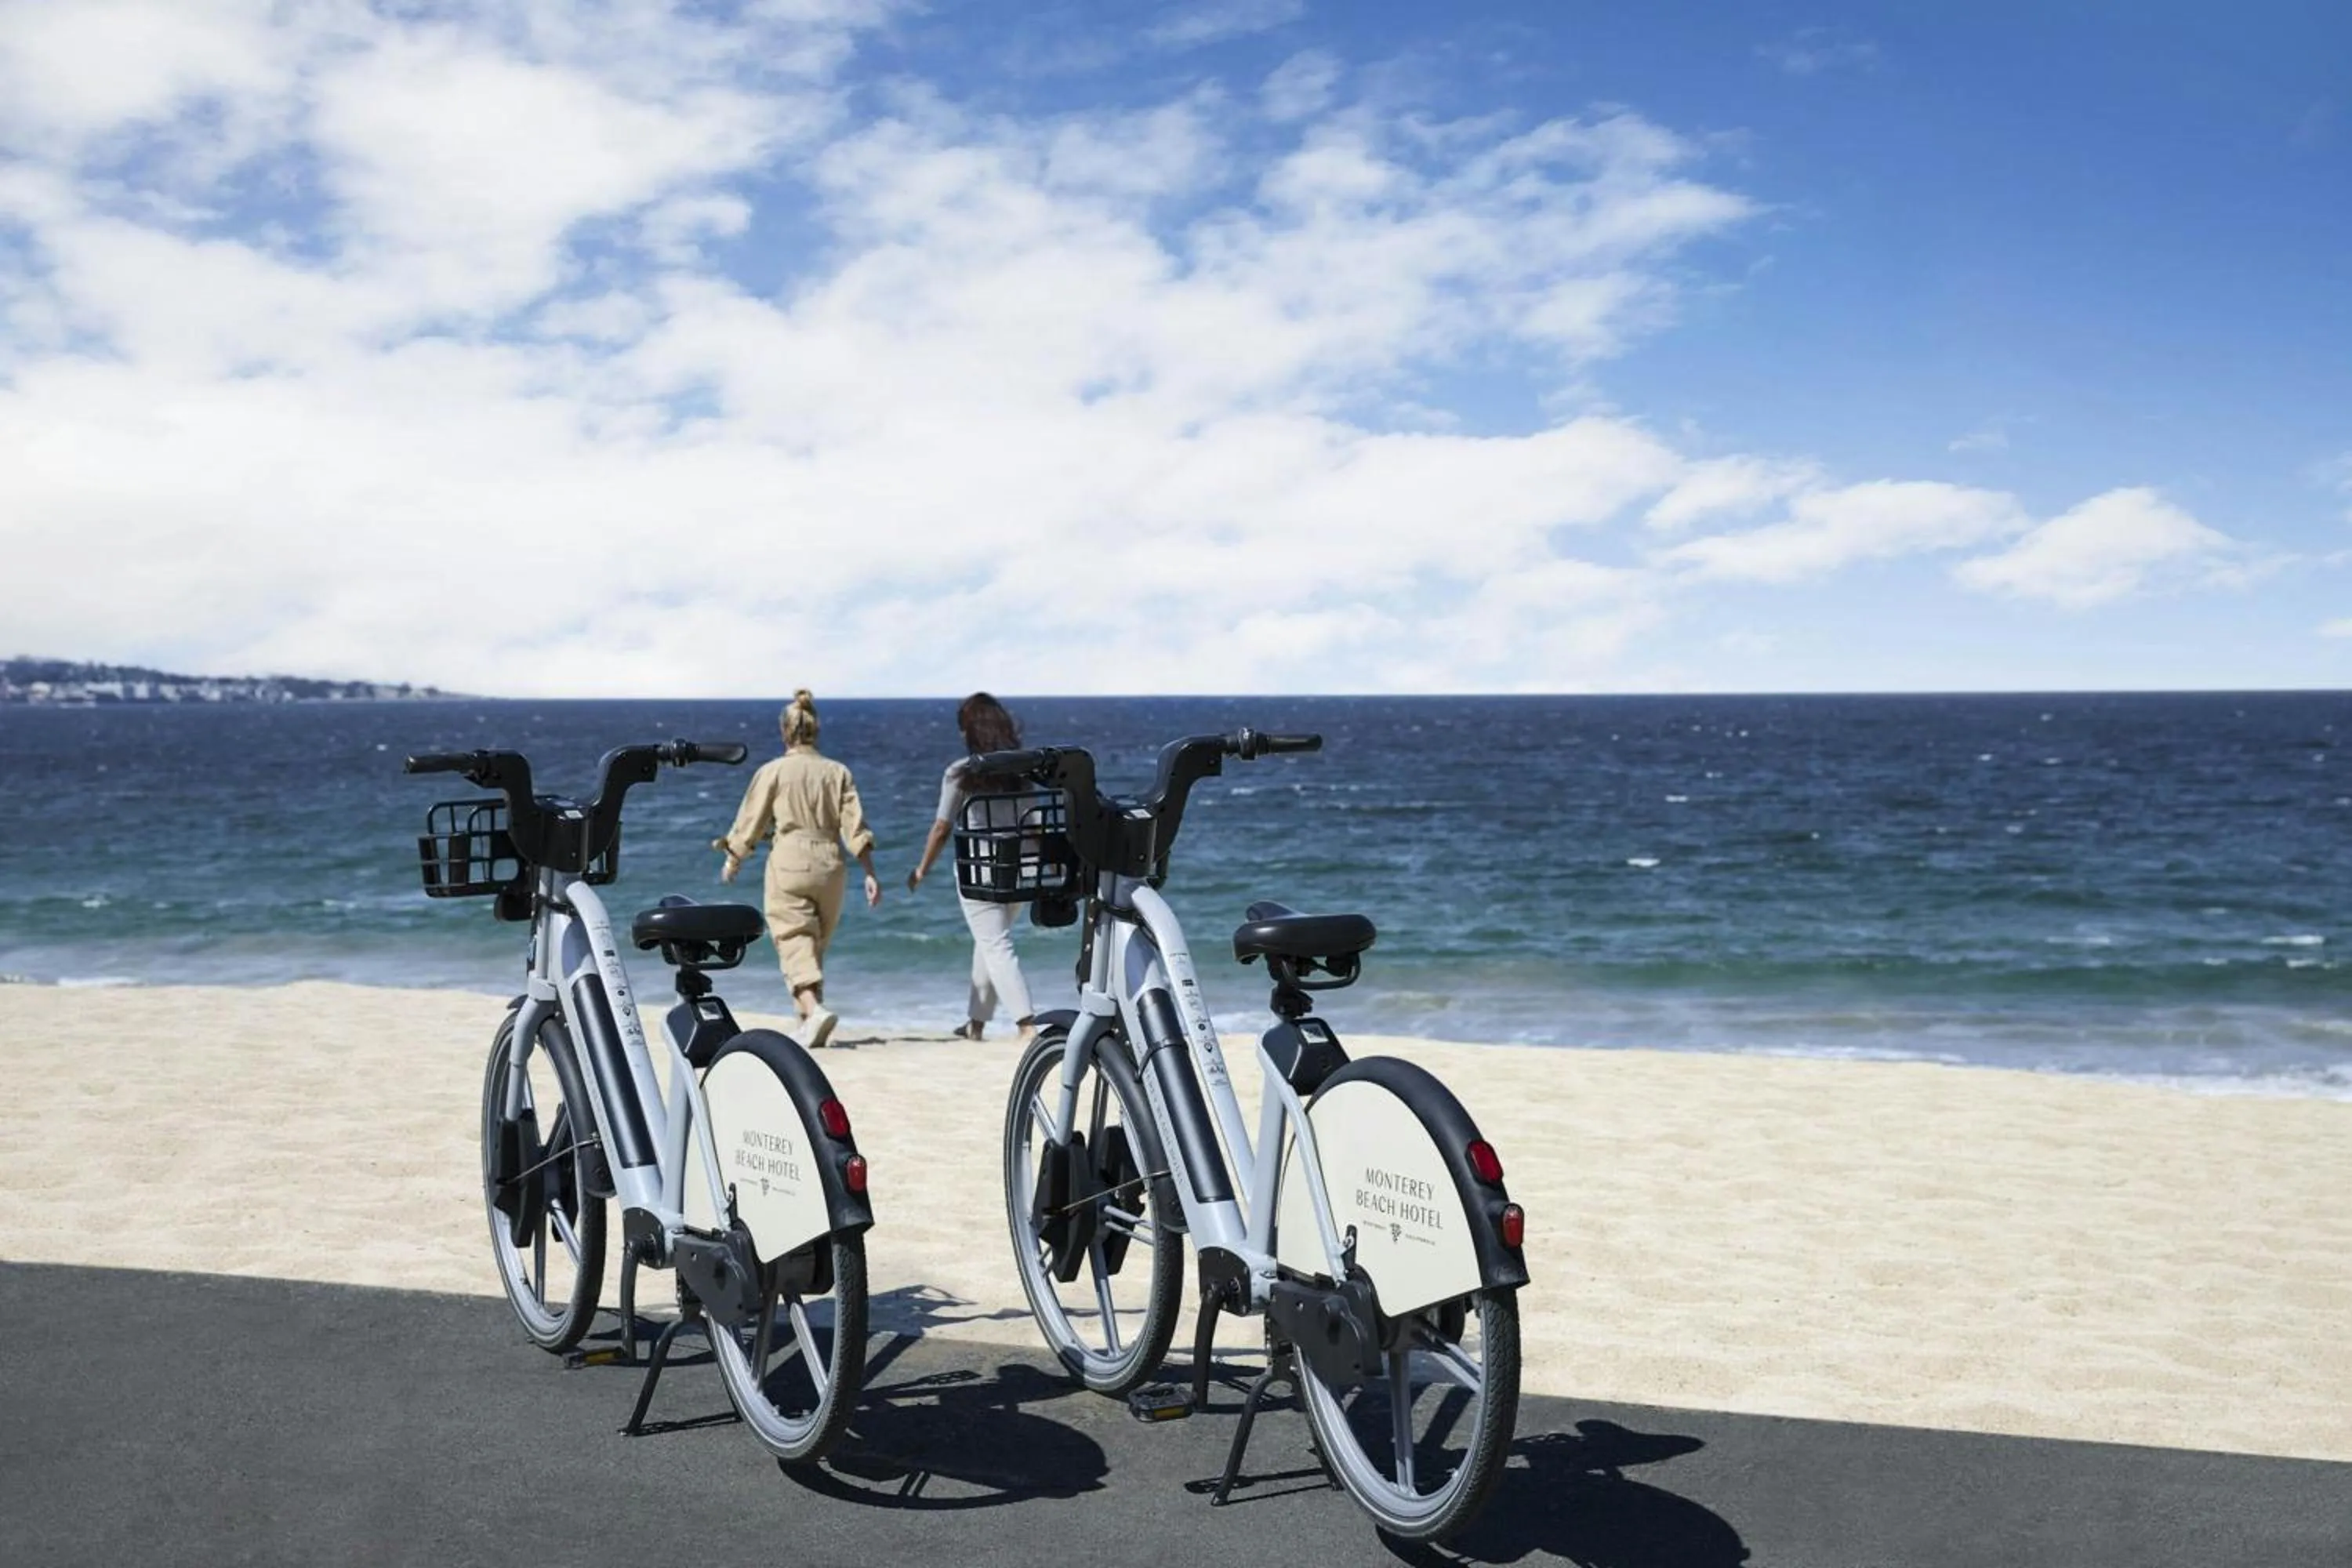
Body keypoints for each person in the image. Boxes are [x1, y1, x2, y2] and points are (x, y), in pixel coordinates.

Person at [713, 689, 880, 1047]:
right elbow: (855, 826)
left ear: (784, 732)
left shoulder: (773, 772)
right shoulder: (838, 772)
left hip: (790, 859)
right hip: (831, 863)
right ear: (815, 730)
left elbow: (751, 821)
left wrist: (733, 858)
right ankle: (807, 1024)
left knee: (793, 940)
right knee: (813, 946)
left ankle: (814, 1011)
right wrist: (870, 873)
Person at [906, 691, 1036, 1047]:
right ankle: (975, 1024)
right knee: (990, 940)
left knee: (995, 944)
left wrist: (921, 870)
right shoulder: (1020, 769)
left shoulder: (960, 772)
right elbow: (1033, 824)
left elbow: (941, 827)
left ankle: (1026, 1024)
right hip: (1020, 869)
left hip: (980, 871)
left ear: (970, 731)